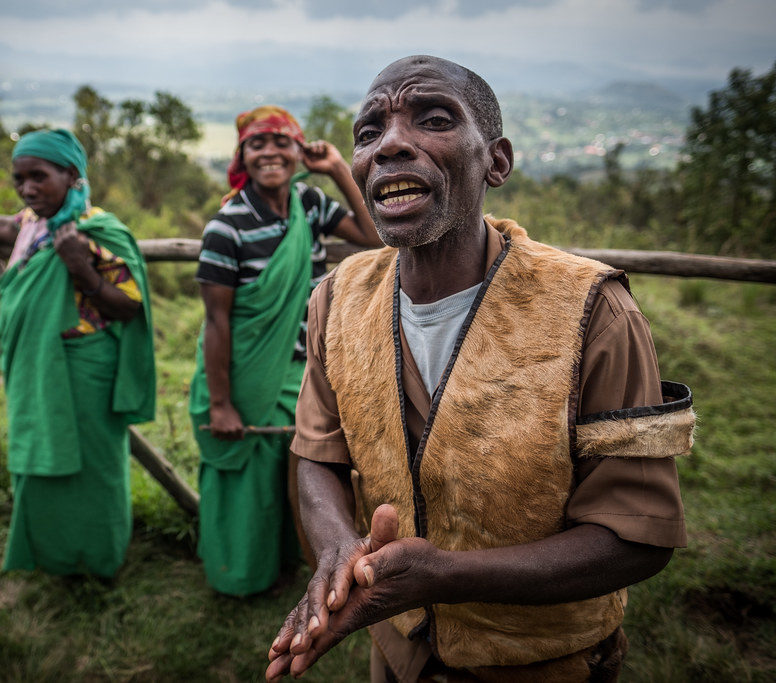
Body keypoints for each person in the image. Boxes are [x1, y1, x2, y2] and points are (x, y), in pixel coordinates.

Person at [266, 56, 694, 682]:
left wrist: (440, 576)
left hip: (544, 662)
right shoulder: (338, 298)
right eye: (368, 132)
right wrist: (336, 549)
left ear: (496, 160)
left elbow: (636, 536)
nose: (390, 145)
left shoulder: (590, 311)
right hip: (396, 651)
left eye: (433, 119)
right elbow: (317, 453)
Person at [0, 128, 155, 578]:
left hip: (85, 370)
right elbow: (4, 226)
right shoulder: (34, 224)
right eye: (19, 179)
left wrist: (79, 267)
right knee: (40, 458)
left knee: (93, 468)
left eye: (39, 176)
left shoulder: (95, 230)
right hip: (37, 367)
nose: (28, 188)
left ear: (71, 175)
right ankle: (52, 557)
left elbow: (129, 305)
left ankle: (97, 562)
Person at [189, 105, 382, 597]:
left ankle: (290, 569)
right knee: (247, 483)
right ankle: (239, 577)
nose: (270, 153)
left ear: (299, 152)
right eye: (257, 144)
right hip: (244, 374)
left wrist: (339, 168)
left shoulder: (310, 205)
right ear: (242, 156)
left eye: (282, 143)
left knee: (294, 475)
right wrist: (221, 402)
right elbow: (216, 321)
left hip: (302, 370)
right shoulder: (226, 227)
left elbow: (375, 236)